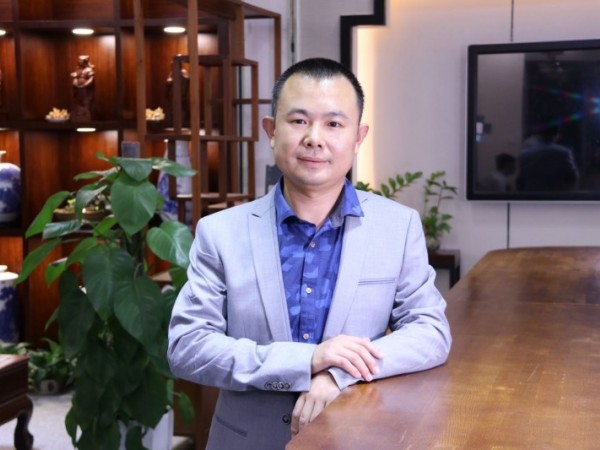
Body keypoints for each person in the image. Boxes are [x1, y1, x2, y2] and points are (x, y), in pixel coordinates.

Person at [167, 57, 452, 450]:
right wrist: (307, 360)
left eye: (334, 124)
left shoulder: (397, 227)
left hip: (358, 438)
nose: (315, 138)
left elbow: (430, 333)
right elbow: (188, 347)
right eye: (299, 121)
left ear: (358, 137)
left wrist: (339, 374)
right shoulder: (220, 233)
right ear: (271, 131)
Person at [516, 127, 579, 191]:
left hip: (532, 193)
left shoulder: (524, 154)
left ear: (538, 135)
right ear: (556, 135)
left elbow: (521, 179)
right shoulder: (563, 152)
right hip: (556, 193)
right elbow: (572, 176)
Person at [70, 55, 95, 121]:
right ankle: (78, 114)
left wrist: (85, 84)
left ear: (85, 62)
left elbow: (91, 79)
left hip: (85, 88)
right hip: (77, 88)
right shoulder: (78, 69)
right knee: (77, 100)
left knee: (86, 100)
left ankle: (85, 114)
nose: (80, 62)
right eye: (79, 61)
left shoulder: (88, 69)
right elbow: (75, 76)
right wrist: (74, 78)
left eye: (82, 61)